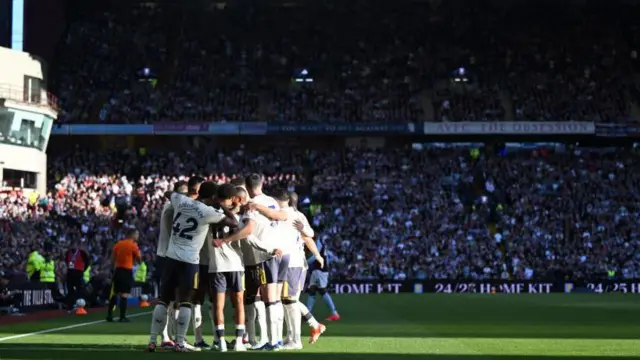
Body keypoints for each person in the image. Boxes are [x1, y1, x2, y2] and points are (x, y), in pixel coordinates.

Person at [147, 180, 237, 352]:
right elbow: (233, 222)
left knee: (163, 300)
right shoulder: (209, 212)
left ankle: (152, 340)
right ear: (213, 197)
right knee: (186, 302)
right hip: (190, 262)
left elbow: (168, 194)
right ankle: (180, 343)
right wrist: (221, 205)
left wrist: (179, 196)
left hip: (171, 257)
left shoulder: (181, 200)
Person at [219, 174, 284, 350]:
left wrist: (226, 239)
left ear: (246, 189)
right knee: (263, 300)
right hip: (266, 256)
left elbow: (248, 232)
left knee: (267, 300)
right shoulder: (271, 201)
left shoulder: (251, 208)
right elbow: (282, 216)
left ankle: (270, 341)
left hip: (259, 257)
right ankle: (268, 339)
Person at [279, 190, 326, 348]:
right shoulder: (296, 216)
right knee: (286, 300)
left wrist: (318, 255)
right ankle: (292, 335)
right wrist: (318, 255)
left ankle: (297, 338)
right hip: (292, 262)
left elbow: (308, 236)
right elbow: (308, 237)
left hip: (294, 263)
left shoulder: (293, 216)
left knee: (290, 300)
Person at [206, 184, 248, 352]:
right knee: (239, 302)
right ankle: (238, 341)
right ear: (231, 198)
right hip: (235, 263)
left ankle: (221, 341)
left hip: (216, 264)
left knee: (218, 304)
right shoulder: (235, 215)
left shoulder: (209, 212)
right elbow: (236, 224)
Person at [155, 180, 188, 349]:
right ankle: (166, 336)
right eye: (182, 193)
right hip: (167, 256)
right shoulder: (172, 208)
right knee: (167, 299)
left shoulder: (174, 207)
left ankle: (173, 335)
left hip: (170, 255)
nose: (185, 196)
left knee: (175, 299)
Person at [106, 228, 142, 322]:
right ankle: (122, 317)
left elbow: (112, 259)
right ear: (132, 235)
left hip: (118, 270)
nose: (138, 236)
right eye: (137, 234)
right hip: (127, 271)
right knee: (124, 294)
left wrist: (112, 269)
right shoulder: (133, 245)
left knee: (114, 293)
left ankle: (109, 315)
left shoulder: (118, 244)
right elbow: (139, 259)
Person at [306, 234, 340, 321]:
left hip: (319, 270)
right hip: (319, 269)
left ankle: (334, 313)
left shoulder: (318, 242)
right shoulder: (320, 242)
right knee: (312, 290)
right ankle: (308, 313)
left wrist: (305, 263)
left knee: (322, 290)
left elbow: (315, 256)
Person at [64, 242, 91, 310]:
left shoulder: (82, 253)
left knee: (79, 289)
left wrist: (82, 269)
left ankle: (80, 304)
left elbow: (87, 262)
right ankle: (70, 305)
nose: (73, 246)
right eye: (72, 245)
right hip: (70, 273)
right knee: (70, 289)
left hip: (78, 273)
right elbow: (66, 261)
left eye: (74, 245)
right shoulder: (68, 252)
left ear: (77, 246)